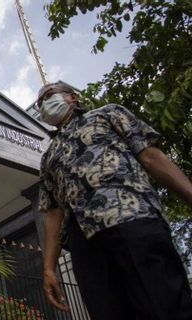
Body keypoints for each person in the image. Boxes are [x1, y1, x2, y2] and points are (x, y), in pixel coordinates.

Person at [37, 81, 192, 320]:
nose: (44, 103)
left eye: (49, 95)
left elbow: (151, 157)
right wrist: (48, 268)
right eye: (40, 102)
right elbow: (53, 213)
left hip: (132, 220)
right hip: (84, 244)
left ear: (73, 97)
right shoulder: (48, 157)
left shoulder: (108, 114)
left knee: (163, 305)